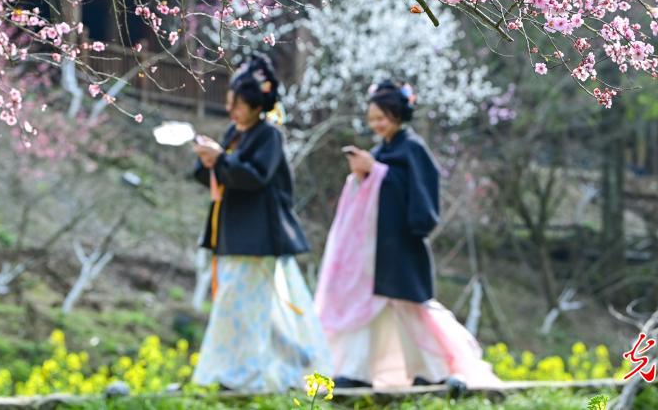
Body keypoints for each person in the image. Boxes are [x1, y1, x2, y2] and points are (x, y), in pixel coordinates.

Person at [315, 80, 500, 389]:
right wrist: (363, 174)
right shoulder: (381, 151)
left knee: (410, 309)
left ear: (398, 115)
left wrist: (377, 171)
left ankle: (435, 371)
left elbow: (417, 195)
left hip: (401, 245)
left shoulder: (412, 149)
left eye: (382, 117)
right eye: (372, 119)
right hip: (375, 248)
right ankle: (357, 371)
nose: (376, 124)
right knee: (368, 309)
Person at [190, 55, 331, 391]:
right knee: (246, 307)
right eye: (230, 103)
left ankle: (241, 375)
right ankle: (294, 359)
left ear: (257, 106)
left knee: (241, 306)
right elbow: (220, 174)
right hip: (233, 233)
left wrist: (221, 159)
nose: (232, 110)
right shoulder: (234, 133)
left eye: (238, 104)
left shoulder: (269, 135)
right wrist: (210, 161)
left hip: (258, 236)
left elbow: (255, 177)